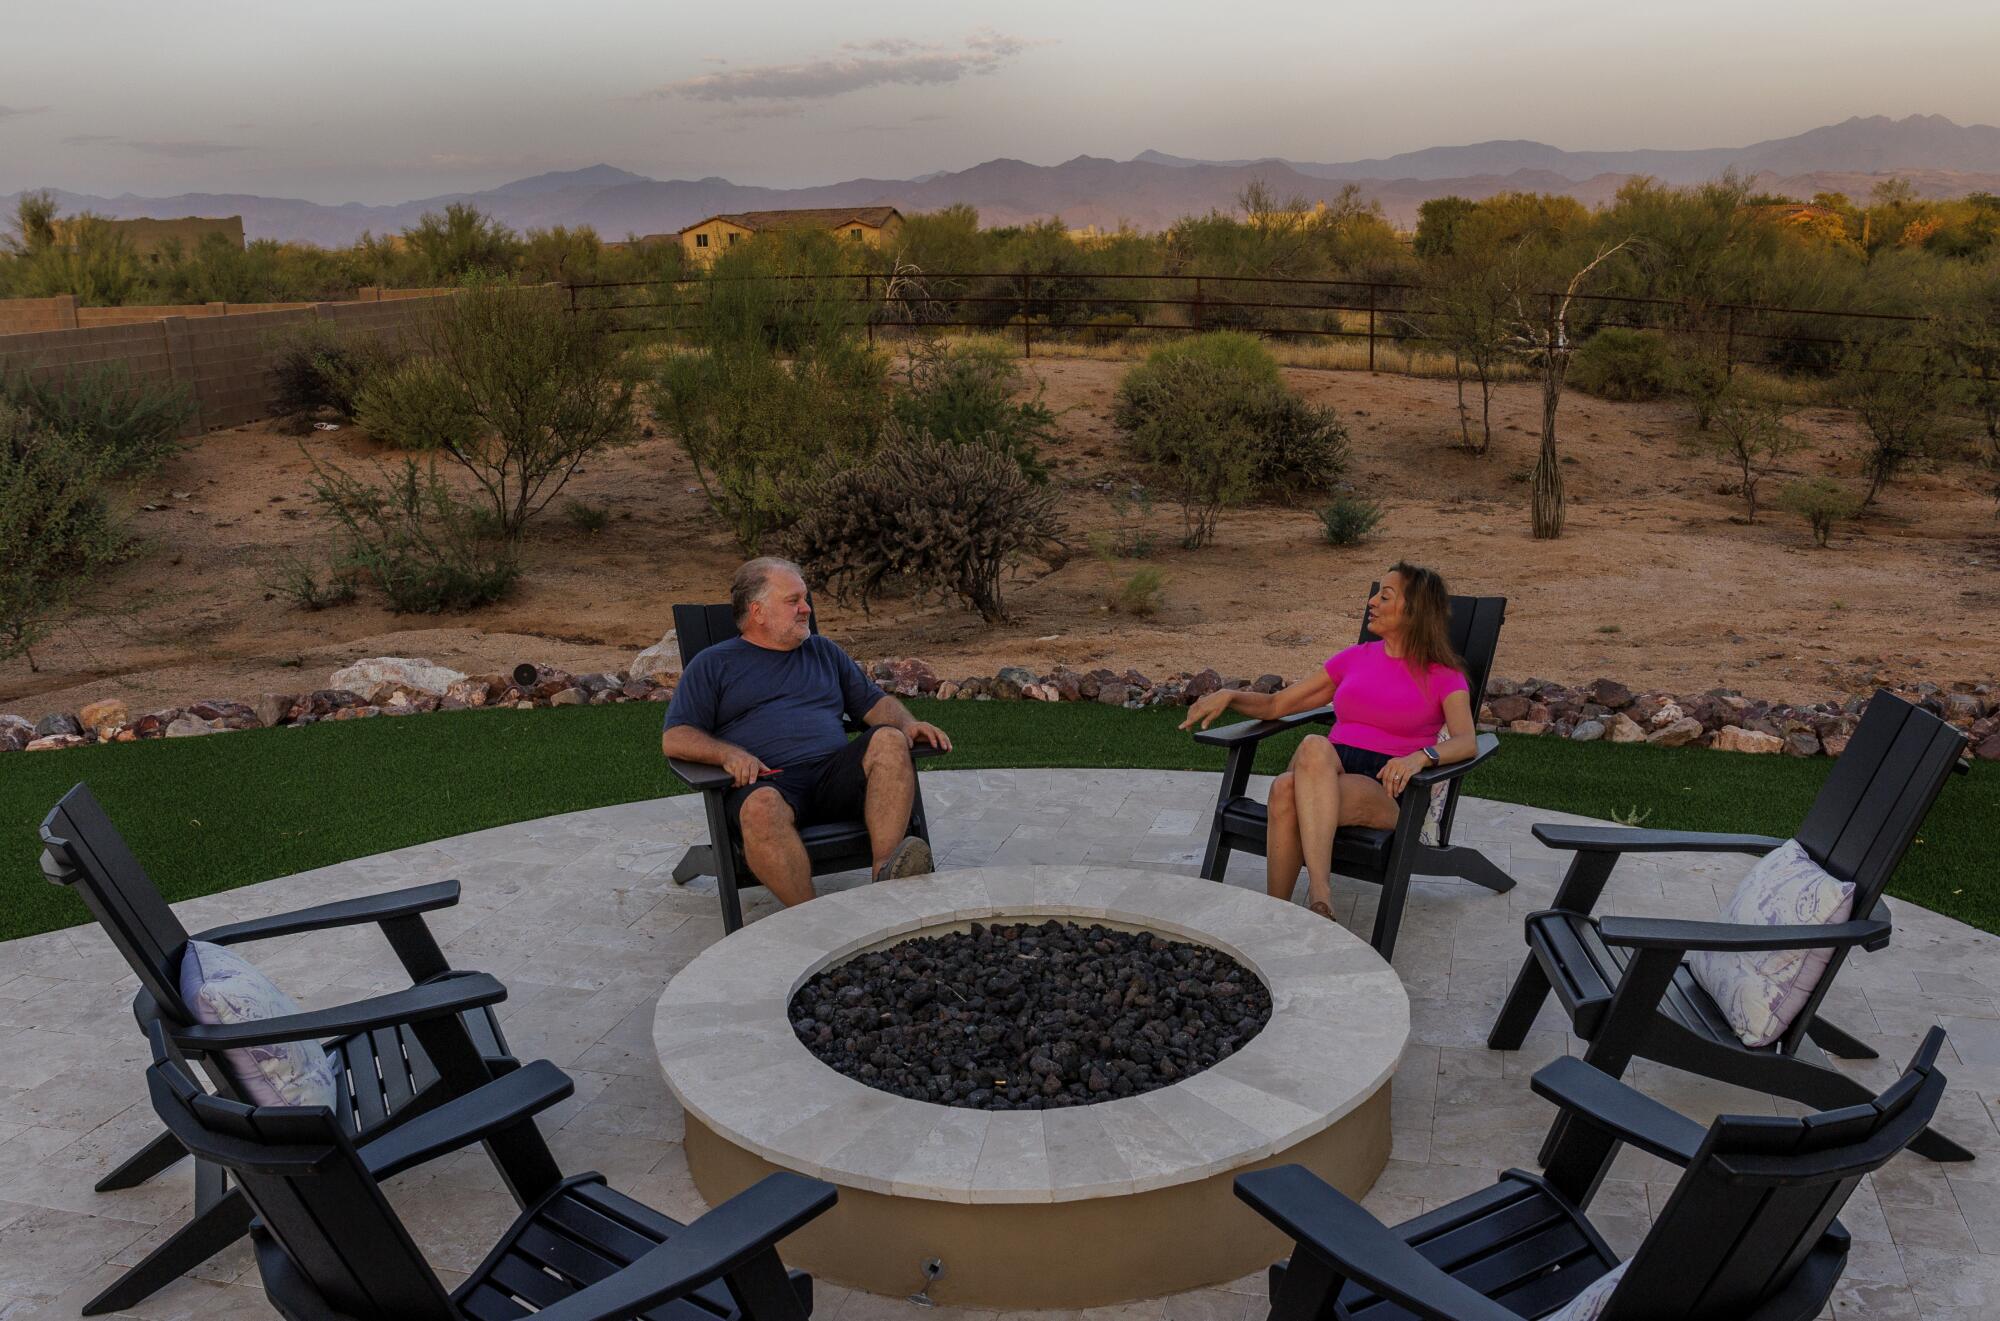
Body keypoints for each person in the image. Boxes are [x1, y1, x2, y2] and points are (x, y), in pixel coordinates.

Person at [1179, 562, 1478, 921]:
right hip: (1326, 767)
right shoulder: (1353, 659)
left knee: (1286, 790)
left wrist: (1420, 757)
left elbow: (1466, 742)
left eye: (1385, 596)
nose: (1372, 602)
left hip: (1388, 785)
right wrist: (1229, 695)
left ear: (1414, 610)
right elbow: (1277, 705)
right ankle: (1315, 901)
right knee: (1311, 746)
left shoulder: (1444, 675)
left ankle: (1284, 911)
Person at [661, 557, 952, 907]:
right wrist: (729, 754)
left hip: (835, 777)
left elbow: (874, 704)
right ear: (758, 612)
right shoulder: (713, 664)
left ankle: (887, 879)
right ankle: (811, 917)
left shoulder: (824, 652)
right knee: (761, 807)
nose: (806, 609)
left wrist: (907, 723)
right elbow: (676, 736)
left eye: (805, 599)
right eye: (793, 601)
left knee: (890, 739)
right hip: (771, 781)